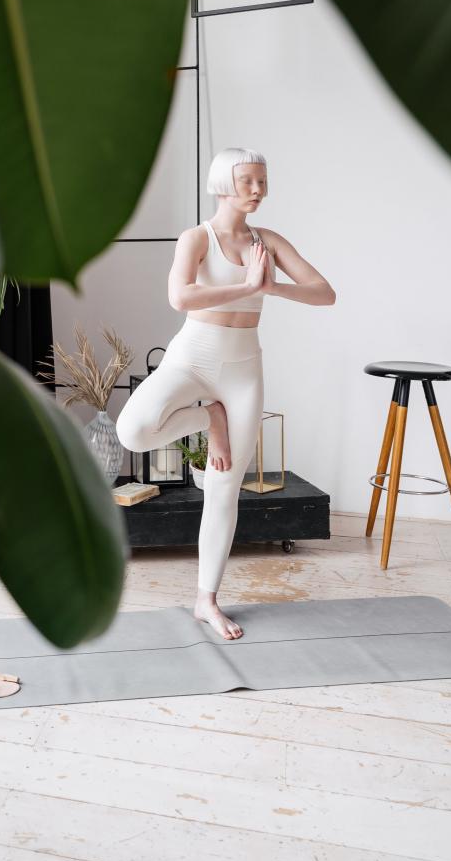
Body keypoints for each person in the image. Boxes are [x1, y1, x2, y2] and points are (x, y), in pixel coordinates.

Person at [114, 148, 336, 640]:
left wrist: (270, 287)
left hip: (243, 366)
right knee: (133, 430)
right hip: (192, 355)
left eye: (263, 181)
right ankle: (208, 415)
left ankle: (206, 601)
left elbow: (324, 292)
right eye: (249, 181)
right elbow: (181, 297)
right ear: (223, 184)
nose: (258, 190)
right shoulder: (197, 238)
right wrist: (245, 286)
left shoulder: (268, 242)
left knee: (224, 486)